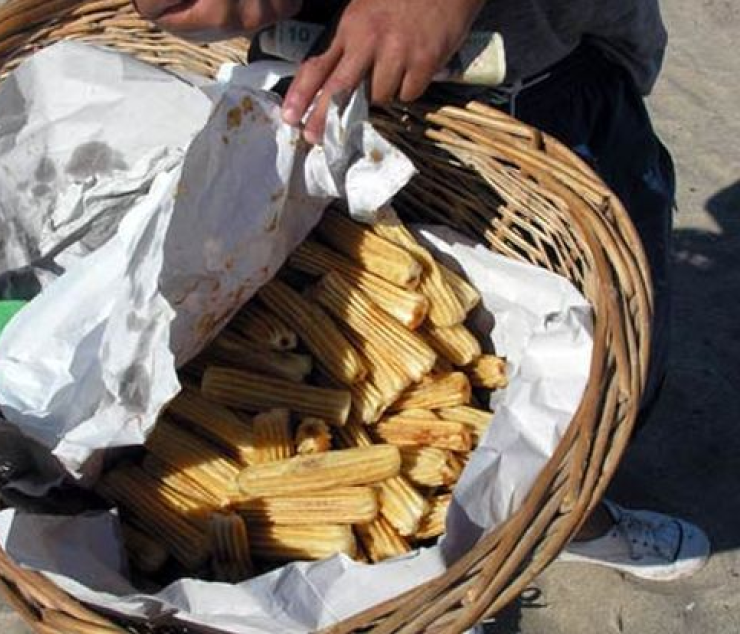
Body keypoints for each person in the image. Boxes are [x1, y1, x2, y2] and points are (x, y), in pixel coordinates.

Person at [131, 0, 711, 581]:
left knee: (608, 370)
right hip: (316, 69)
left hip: (533, 76)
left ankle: (566, 515)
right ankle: (442, 558)